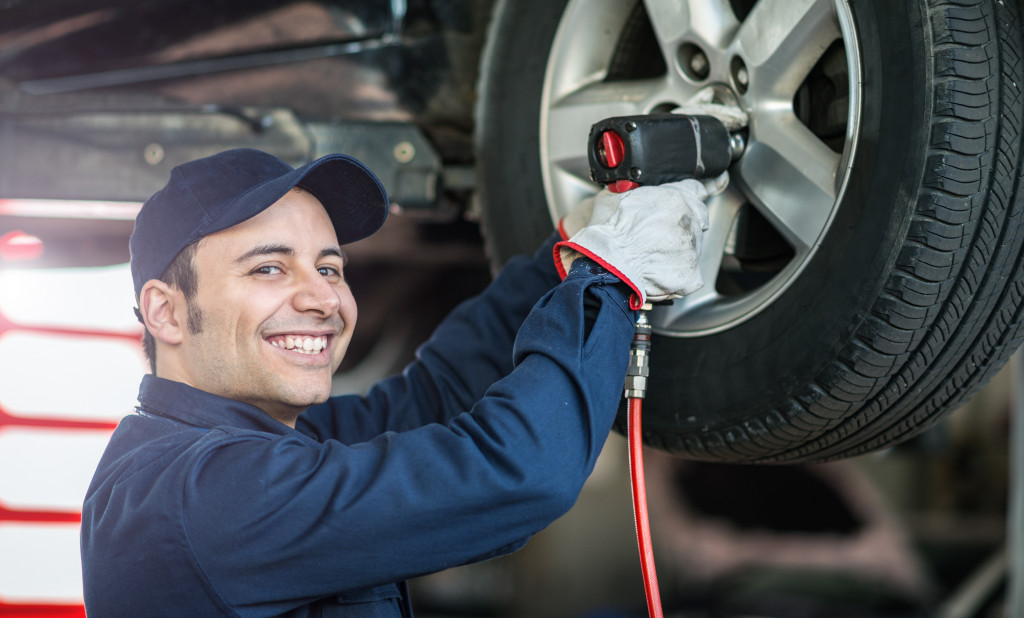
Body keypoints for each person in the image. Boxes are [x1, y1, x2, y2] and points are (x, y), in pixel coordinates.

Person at [80, 147, 710, 616]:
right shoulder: (200, 496)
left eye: (330, 267)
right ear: (165, 312)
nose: (323, 298)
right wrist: (608, 282)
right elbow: (515, 471)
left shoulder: (239, 447)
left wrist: (567, 251)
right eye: (269, 268)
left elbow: (431, 400)